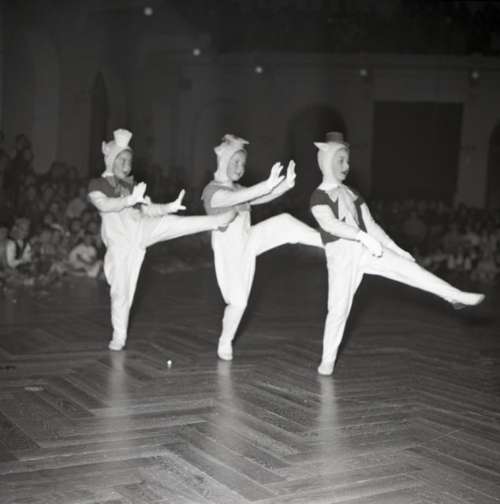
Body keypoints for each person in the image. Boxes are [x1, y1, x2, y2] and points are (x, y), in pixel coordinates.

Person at [310, 132, 485, 376]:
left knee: (410, 269)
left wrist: (397, 250)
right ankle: (327, 361)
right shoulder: (318, 197)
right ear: (326, 160)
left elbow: (372, 227)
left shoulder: (353, 194)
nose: (346, 166)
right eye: (341, 160)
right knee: (338, 310)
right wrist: (361, 236)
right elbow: (330, 224)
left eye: (347, 160)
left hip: (366, 249)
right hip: (341, 256)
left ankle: (455, 296)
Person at [88, 129, 236, 351]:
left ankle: (217, 221)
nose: (126, 165)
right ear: (111, 160)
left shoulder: (131, 186)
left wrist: (168, 207)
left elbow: (148, 209)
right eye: (122, 160)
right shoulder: (98, 185)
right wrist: (129, 200)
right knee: (121, 293)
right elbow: (104, 205)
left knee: (172, 222)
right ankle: (119, 335)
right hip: (120, 244)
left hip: (140, 228)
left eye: (129, 161)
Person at [202, 134, 323, 361]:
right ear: (223, 161)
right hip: (230, 252)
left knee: (285, 222)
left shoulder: (237, 189)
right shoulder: (212, 192)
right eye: (235, 162)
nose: (240, 168)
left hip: (249, 239)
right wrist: (267, 184)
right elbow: (245, 195)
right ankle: (225, 340)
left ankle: (329, 242)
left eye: (243, 164)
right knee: (238, 303)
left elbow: (259, 197)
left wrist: (285, 185)